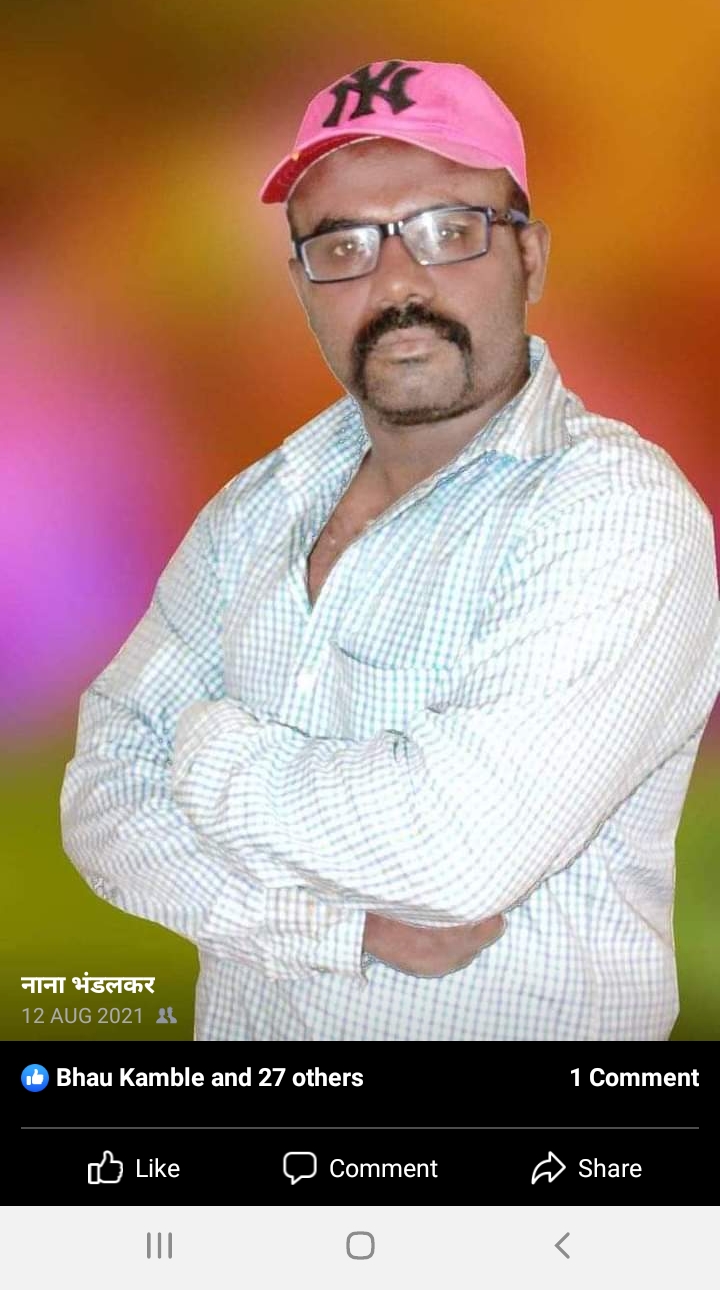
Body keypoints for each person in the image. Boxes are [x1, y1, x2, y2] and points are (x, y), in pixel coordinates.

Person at [61, 59, 720, 1041]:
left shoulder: (618, 510)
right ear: (301, 285)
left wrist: (203, 750)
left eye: (448, 231)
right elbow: (102, 794)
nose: (397, 283)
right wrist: (331, 931)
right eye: (344, 246)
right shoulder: (256, 507)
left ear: (531, 256)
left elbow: (457, 854)